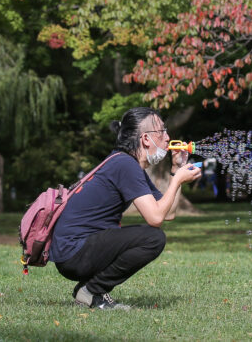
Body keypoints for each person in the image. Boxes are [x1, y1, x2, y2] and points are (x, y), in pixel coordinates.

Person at [50, 106, 202, 310]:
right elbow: (155, 219)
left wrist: (176, 171)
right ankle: (92, 291)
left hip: (75, 250)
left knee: (152, 236)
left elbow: (169, 214)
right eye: (162, 132)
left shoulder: (128, 164)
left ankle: (90, 289)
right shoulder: (125, 165)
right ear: (146, 139)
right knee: (153, 238)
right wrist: (176, 183)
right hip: (74, 251)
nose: (168, 137)